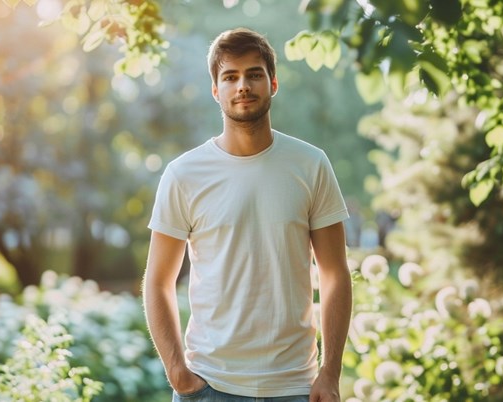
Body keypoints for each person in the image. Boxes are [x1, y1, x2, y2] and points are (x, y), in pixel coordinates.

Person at [143, 27, 353, 402]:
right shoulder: (183, 174)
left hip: (295, 388)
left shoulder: (311, 165)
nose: (243, 85)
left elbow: (335, 273)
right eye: (230, 76)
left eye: (254, 74)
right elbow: (158, 281)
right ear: (216, 90)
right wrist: (178, 373)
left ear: (273, 83)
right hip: (209, 387)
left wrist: (330, 373)